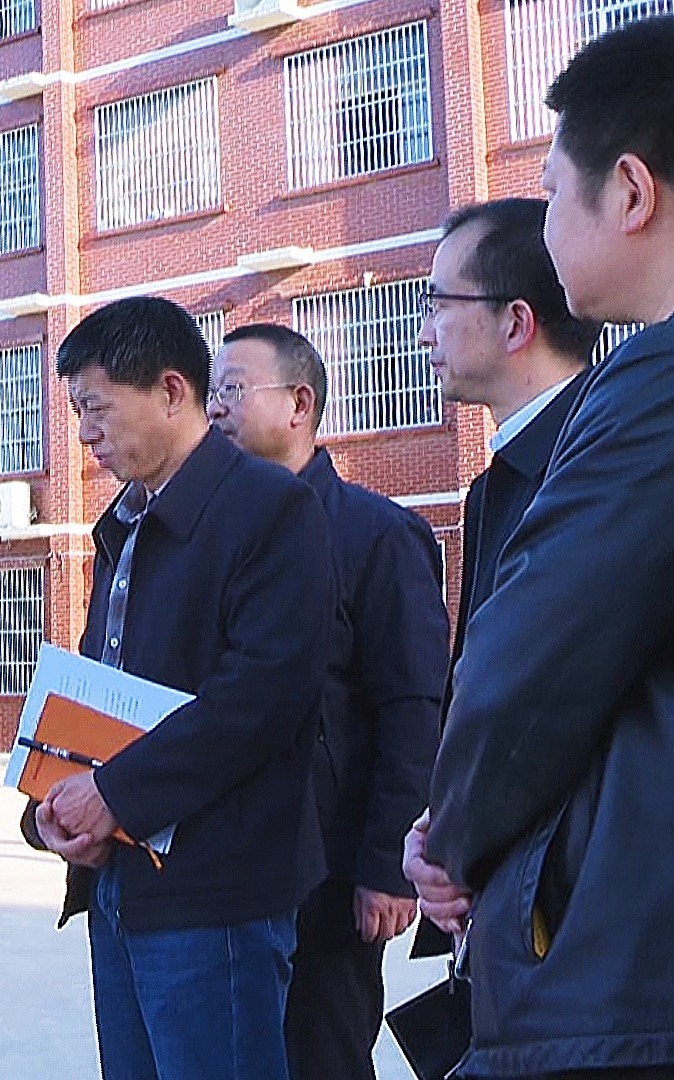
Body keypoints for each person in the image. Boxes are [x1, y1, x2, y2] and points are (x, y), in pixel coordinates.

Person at [412, 16, 674, 1078]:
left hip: (621, 975)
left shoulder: (650, 390)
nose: (547, 219)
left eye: (555, 192)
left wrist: (450, 839)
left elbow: (529, 669)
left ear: (630, 191)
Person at [23, 296, 334, 1080]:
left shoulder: (270, 510)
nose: (84, 433)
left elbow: (260, 698)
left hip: (215, 897)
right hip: (119, 883)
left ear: (170, 391)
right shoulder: (124, 523)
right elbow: (101, 686)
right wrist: (55, 803)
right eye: (76, 411)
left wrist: (115, 794)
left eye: (97, 408)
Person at [207, 324, 450, 1080]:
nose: (214, 408)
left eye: (233, 389)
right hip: (227, 863)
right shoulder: (218, 535)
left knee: (321, 1055)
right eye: (211, 391)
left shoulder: (378, 535)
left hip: (331, 873)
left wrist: (385, 866)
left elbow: (413, 706)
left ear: (299, 404)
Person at [402, 199, 601, 963]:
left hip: (580, 911)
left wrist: (464, 831)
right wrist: (441, 827)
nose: (423, 333)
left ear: (516, 323)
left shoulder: (598, 467)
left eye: (437, 305)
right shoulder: (502, 480)